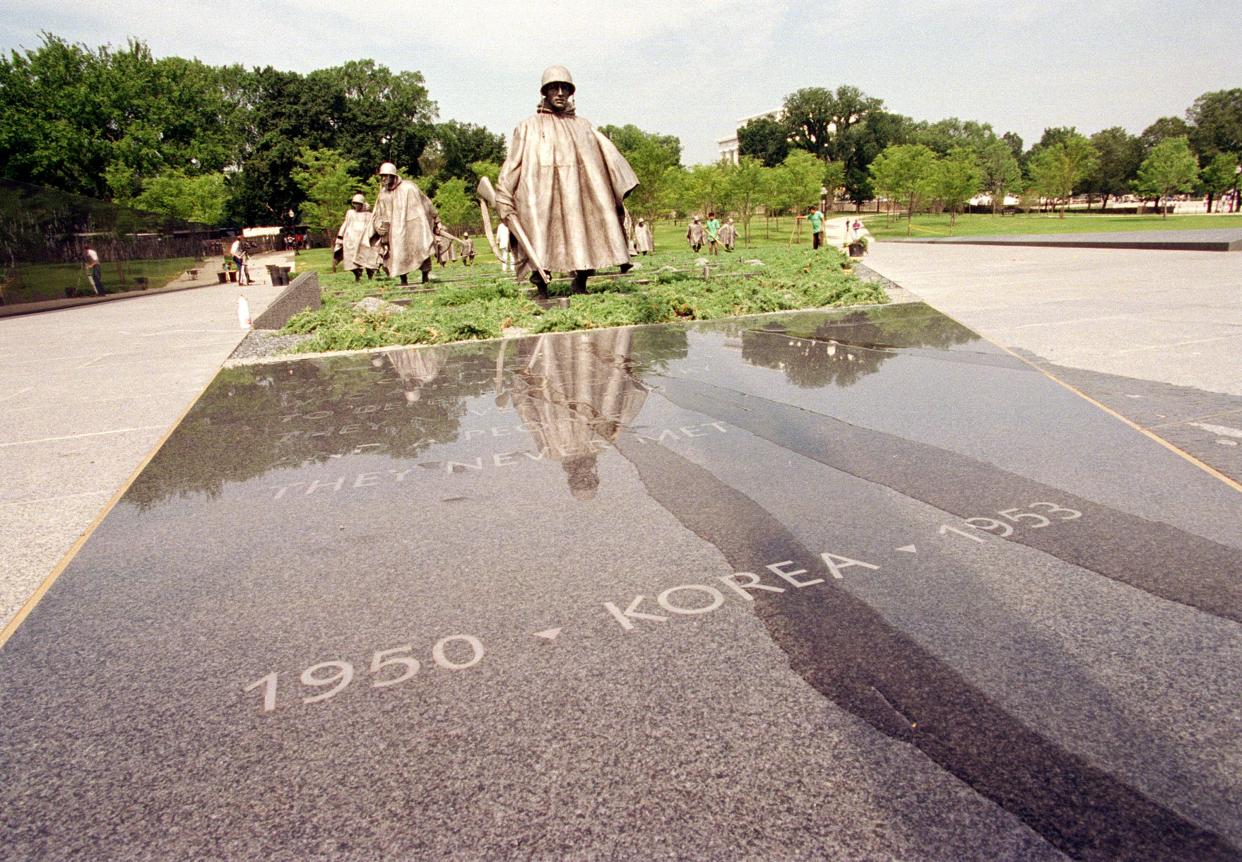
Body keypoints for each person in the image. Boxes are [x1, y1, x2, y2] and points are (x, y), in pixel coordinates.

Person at [494, 65, 639, 298]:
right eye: (554, 88)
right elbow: (512, 165)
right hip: (541, 196)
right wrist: (503, 194)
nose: (560, 93)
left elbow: (608, 159)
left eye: (565, 88)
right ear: (545, 92)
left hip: (579, 196)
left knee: (583, 236)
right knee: (540, 240)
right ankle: (541, 284)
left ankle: (581, 281)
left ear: (571, 92)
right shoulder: (528, 126)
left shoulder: (584, 126)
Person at [372, 162, 438, 285]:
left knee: (422, 248)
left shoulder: (409, 187)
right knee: (398, 253)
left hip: (414, 226)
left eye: (386, 176)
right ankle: (404, 280)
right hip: (395, 231)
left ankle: (425, 277)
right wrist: (378, 226)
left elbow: (426, 202)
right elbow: (378, 213)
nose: (383, 179)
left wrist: (436, 219)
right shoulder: (382, 193)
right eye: (382, 176)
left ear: (393, 176)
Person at [336, 193, 380, 281]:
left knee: (367, 258)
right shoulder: (350, 213)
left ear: (362, 204)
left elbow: (373, 226)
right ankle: (357, 274)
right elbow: (345, 224)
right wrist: (340, 236)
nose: (356, 205)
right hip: (350, 240)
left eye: (358, 203)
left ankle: (370, 275)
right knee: (350, 260)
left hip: (364, 239)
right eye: (355, 203)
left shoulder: (368, 215)